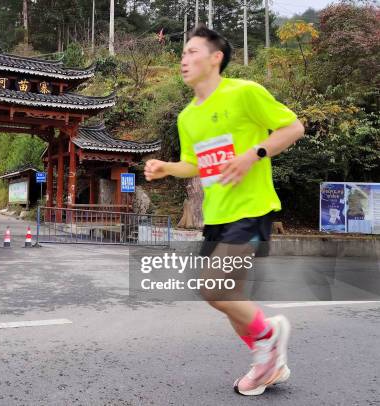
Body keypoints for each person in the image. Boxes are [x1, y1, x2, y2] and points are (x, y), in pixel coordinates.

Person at [144, 26, 305, 396]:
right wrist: (169, 168)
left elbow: (293, 127)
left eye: (192, 51)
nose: (184, 59)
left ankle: (270, 336)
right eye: (182, 53)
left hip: (252, 208)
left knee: (214, 289)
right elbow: (196, 165)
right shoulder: (187, 117)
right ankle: (269, 362)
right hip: (215, 215)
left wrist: (253, 154)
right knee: (231, 297)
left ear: (216, 58)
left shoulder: (245, 92)